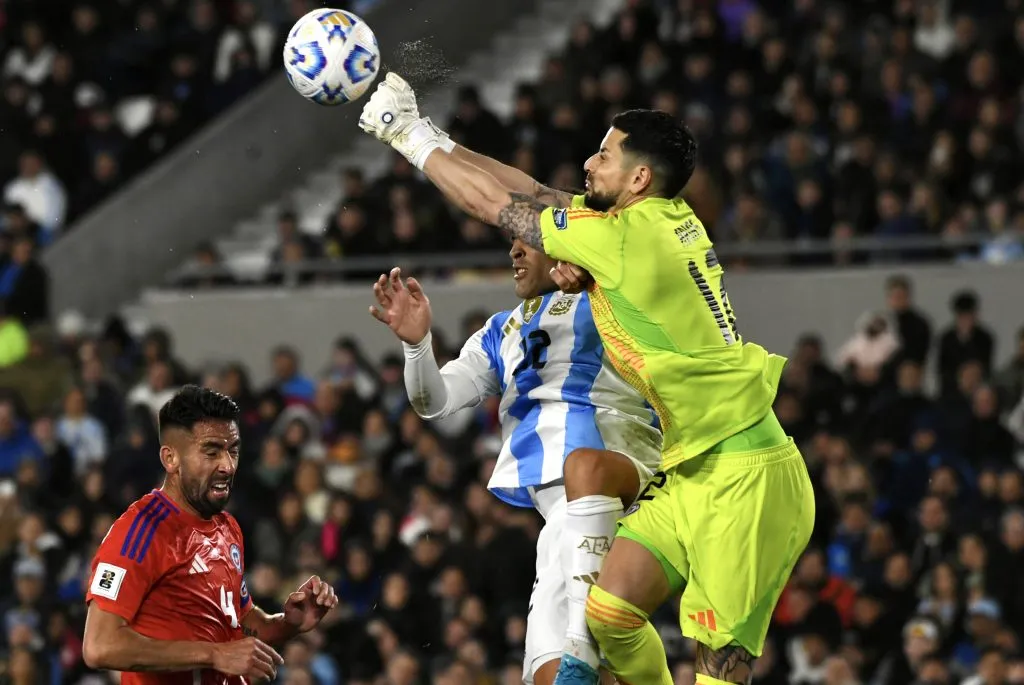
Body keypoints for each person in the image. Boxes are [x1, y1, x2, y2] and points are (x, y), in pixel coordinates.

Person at [358, 73, 815, 685]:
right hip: (690, 466)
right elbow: (537, 193)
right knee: (611, 614)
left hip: (744, 475)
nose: (588, 163)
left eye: (604, 154)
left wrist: (408, 138)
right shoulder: (651, 223)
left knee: (718, 671)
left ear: (639, 179)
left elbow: (496, 206)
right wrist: (438, 135)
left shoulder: (624, 243)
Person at [368, 238, 662, 685]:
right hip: (559, 519)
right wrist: (417, 346)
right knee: (547, 672)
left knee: (582, 660)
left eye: (532, 243)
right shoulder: (501, 329)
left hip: (612, 480)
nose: (515, 253)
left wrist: (598, 274)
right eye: (513, 244)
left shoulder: (609, 302)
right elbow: (435, 402)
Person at [81, 385, 339, 684]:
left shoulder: (227, 527)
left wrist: (287, 624)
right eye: (211, 452)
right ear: (170, 459)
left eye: (233, 451)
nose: (227, 466)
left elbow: (239, 623)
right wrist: (214, 654)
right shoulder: (140, 532)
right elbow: (100, 647)